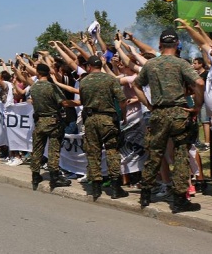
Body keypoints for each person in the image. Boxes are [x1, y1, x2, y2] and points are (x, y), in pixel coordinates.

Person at [133, 28, 204, 213]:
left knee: (155, 154)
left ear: (159, 45)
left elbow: (136, 85)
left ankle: (146, 195)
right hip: (179, 113)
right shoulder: (181, 64)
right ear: (177, 44)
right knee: (180, 155)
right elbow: (200, 83)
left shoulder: (150, 65)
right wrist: (197, 105)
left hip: (158, 113)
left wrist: (148, 105)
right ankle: (180, 200)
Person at [79, 55, 128, 200]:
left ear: (89, 66)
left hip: (90, 119)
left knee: (93, 152)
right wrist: (123, 115)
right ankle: (115, 187)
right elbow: (122, 100)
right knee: (112, 150)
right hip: (108, 119)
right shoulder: (110, 79)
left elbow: (82, 101)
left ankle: (95, 187)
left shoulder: (84, 81)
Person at [30, 64, 79, 190]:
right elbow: (63, 102)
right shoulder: (52, 87)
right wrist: (79, 102)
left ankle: (35, 175)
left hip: (39, 121)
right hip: (53, 121)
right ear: (48, 73)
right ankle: (54, 177)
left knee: (37, 149)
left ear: (38, 73)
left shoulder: (33, 88)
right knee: (54, 150)